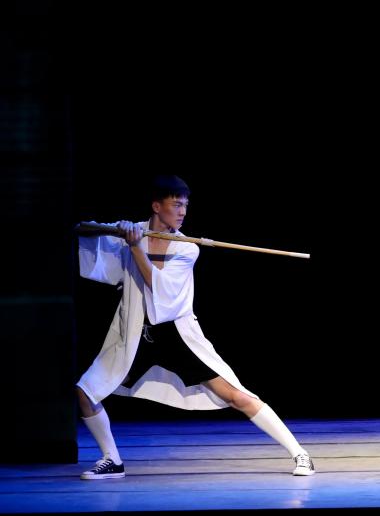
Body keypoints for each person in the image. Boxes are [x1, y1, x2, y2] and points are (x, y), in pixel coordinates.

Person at [75, 175, 314, 479]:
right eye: (177, 204)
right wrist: (109, 229)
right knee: (85, 391)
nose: (183, 212)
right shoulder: (133, 232)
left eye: (185, 205)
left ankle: (300, 454)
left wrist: (135, 247)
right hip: (135, 334)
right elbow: (83, 232)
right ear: (157, 206)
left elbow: (159, 288)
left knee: (235, 395)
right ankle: (113, 460)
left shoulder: (187, 249)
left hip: (176, 336)